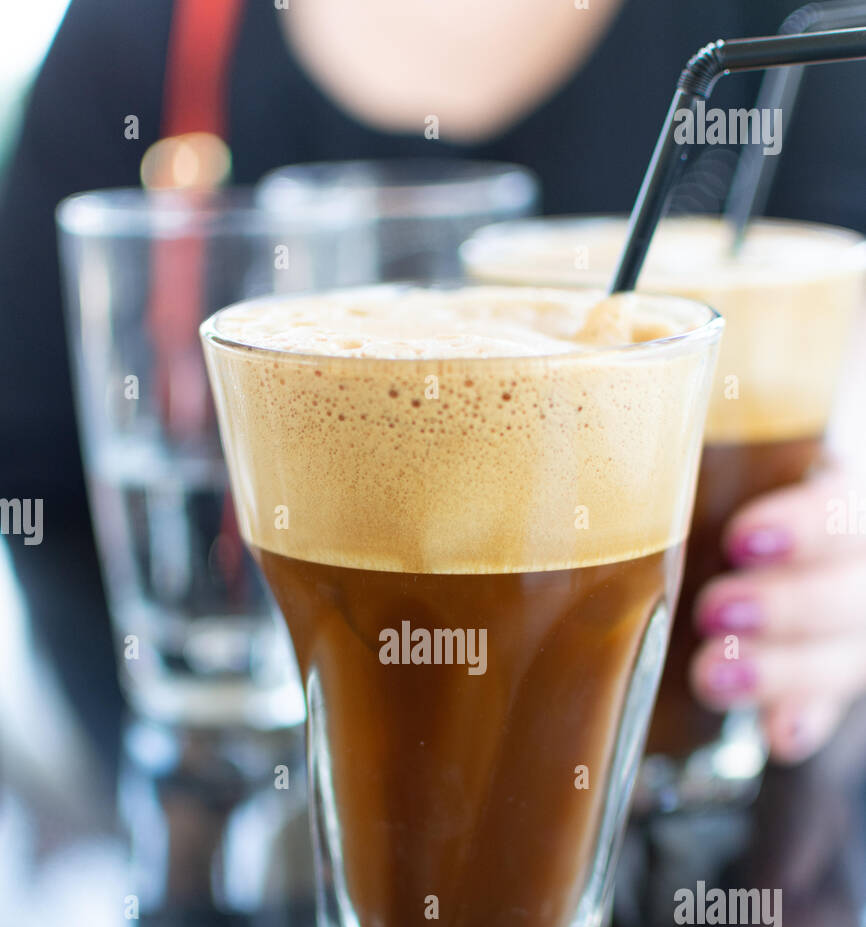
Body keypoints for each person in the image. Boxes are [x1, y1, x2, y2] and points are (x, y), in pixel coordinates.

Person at [2, 0, 865, 761]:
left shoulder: (792, 24)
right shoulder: (134, 35)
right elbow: (36, 495)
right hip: (219, 826)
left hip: (753, 838)